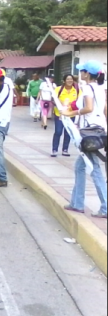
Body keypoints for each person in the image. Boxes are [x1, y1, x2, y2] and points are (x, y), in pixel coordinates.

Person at [61, 61, 107, 218]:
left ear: (87, 74)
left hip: (88, 133)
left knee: (94, 169)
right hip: (98, 130)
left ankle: (105, 207)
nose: (79, 74)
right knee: (80, 167)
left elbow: (89, 108)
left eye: (82, 71)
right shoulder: (101, 88)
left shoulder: (87, 88)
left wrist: (70, 114)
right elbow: (104, 109)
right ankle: (77, 203)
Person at [51, 74, 79, 157]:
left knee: (68, 133)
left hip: (70, 115)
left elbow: (80, 101)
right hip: (59, 114)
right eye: (68, 79)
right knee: (58, 132)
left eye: (71, 79)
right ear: (64, 81)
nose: (70, 81)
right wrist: (59, 104)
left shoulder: (77, 90)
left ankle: (65, 149)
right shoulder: (58, 89)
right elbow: (53, 99)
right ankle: (54, 149)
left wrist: (73, 105)